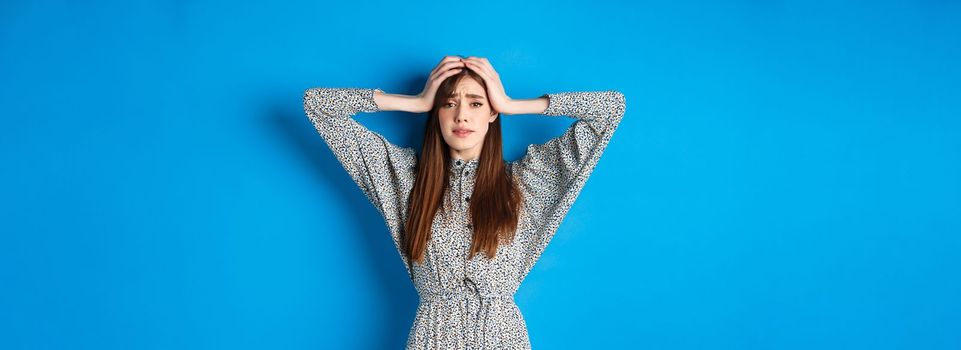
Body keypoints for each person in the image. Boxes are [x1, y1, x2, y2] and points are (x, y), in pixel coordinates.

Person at [303, 55, 626, 349]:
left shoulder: (529, 181)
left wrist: (512, 104)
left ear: (491, 113)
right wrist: (416, 102)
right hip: (432, 336)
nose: (461, 116)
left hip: (503, 338)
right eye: (448, 104)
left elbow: (610, 108)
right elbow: (317, 104)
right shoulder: (402, 178)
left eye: (475, 103)